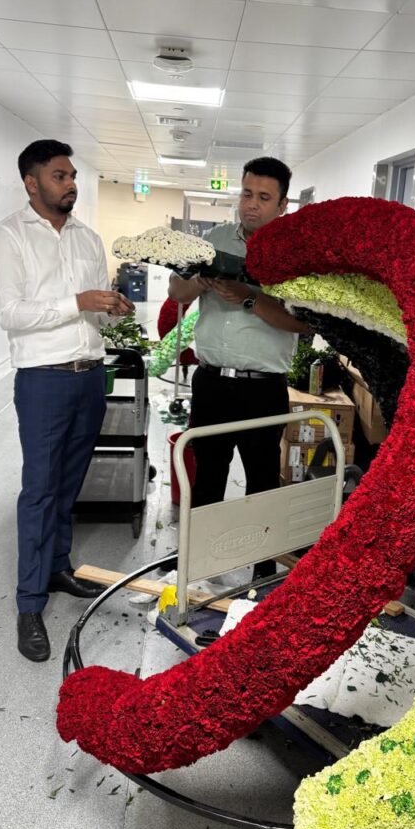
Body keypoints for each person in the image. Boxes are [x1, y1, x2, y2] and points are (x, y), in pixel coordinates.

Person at [0, 139, 134, 662]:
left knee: (69, 485)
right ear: (32, 183)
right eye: (59, 176)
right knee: (40, 490)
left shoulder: (88, 238)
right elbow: (10, 312)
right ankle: (29, 602)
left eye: (72, 176)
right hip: (43, 381)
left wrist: (111, 308)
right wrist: (78, 301)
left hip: (90, 376)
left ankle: (58, 568)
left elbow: (94, 314)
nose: (71, 184)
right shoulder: (8, 236)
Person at [167, 157, 309, 578]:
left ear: (282, 205)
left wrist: (249, 297)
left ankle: (263, 571)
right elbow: (177, 290)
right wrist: (202, 279)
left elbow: (301, 322)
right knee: (208, 476)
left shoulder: (295, 255)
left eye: (264, 197)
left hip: (262, 389)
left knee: (262, 480)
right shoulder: (214, 240)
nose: (251, 204)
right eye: (247, 194)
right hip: (211, 383)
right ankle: (199, 565)